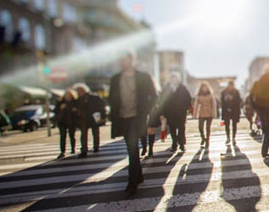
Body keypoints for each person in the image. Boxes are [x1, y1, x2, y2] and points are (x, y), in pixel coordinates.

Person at [108, 51, 157, 195]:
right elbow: (112, 99)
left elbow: (154, 96)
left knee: (132, 148)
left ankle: (132, 182)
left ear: (131, 60)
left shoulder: (143, 77)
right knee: (132, 148)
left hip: (137, 117)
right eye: (120, 60)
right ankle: (139, 175)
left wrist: (145, 111)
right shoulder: (115, 79)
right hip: (123, 118)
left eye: (124, 59)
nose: (122, 62)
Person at [73, 83, 107, 158]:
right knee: (84, 135)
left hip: (94, 117)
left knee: (95, 133)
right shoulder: (77, 100)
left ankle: (96, 147)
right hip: (83, 119)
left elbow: (102, 106)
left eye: (80, 90)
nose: (79, 92)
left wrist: (103, 116)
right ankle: (84, 150)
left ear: (84, 90)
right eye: (77, 91)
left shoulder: (93, 97)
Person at [161, 73, 191, 152]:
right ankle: (174, 143)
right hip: (170, 113)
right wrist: (164, 113)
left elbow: (188, 99)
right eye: (172, 78)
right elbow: (163, 101)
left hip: (181, 113)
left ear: (178, 79)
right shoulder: (167, 88)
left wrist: (186, 108)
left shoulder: (182, 88)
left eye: (175, 78)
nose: (173, 80)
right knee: (172, 130)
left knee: (181, 129)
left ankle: (182, 144)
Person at [55, 90, 78, 159]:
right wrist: (60, 108)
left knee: (72, 136)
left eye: (69, 95)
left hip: (72, 121)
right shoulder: (61, 102)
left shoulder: (75, 102)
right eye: (66, 95)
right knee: (62, 136)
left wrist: (75, 110)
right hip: (62, 122)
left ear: (72, 96)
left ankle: (73, 149)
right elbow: (55, 110)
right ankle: (62, 151)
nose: (67, 97)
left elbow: (78, 111)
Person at [194, 82, 217, 149]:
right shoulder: (199, 95)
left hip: (209, 112)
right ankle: (203, 138)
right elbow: (196, 105)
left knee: (208, 127)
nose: (204, 88)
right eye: (203, 87)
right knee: (200, 127)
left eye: (205, 87)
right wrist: (195, 114)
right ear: (201, 88)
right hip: (201, 112)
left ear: (208, 87)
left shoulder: (210, 95)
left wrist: (214, 114)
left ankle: (207, 140)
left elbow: (213, 105)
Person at [221, 81, 242, 146]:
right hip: (226, 110)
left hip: (234, 111)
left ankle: (233, 138)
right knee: (226, 124)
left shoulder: (236, 92)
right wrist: (226, 99)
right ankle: (228, 138)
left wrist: (233, 98)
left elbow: (239, 101)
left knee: (234, 125)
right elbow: (222, 101)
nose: (231, 87)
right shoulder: (224, 92)